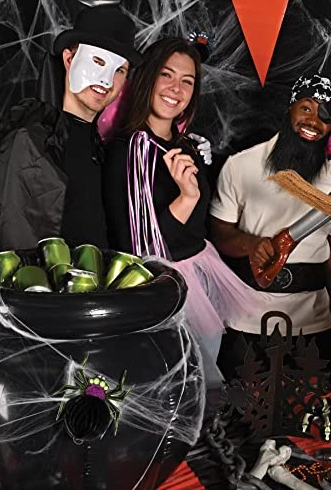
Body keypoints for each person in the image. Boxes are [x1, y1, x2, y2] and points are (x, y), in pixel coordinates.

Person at [103, 37, 263, 387]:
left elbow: (197, 227)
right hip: (163, 290)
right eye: (167, 75)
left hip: (201, 279)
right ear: (147, 78)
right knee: (178, 389)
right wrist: (187, 198)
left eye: (187, 81)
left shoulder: (185, 145)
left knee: (203, 384)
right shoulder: (132, 149)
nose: (176, 89)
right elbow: (141, 250)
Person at [210, 72, 331, 374]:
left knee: (313, 404)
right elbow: (218, 233)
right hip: (246, 319)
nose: (313, 121)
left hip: (313, 323)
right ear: (290, 107)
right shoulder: (241, 165)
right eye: (306, 108)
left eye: (325, 115)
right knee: (242, 402)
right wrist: (251, 245)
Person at [0, 5, 141, 255]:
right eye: (97, 61)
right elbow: (12, 241)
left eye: (119, 70)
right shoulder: (32, 139)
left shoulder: (99, 144)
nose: (106, 80)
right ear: (68, 59)